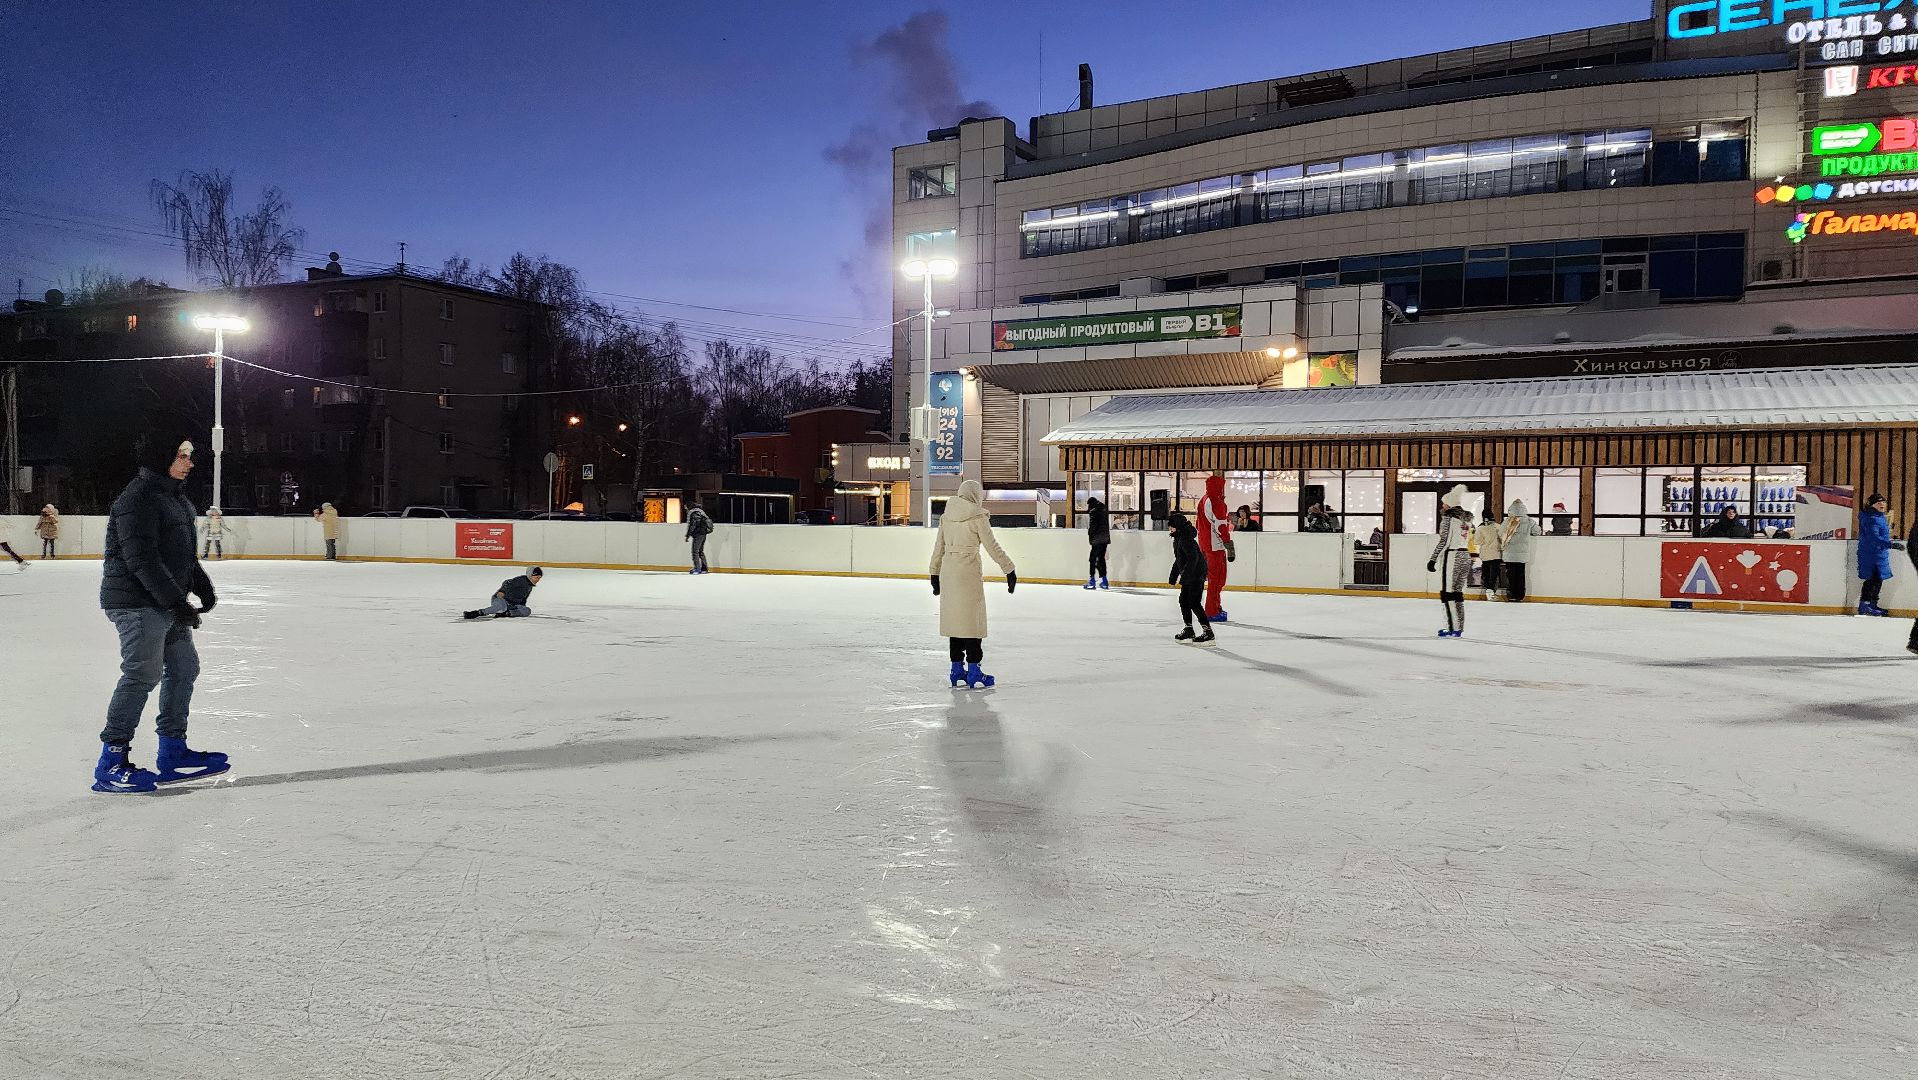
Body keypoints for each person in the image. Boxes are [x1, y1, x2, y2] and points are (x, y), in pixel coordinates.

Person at [94, 433, 227, 794]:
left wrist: (201, 584)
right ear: (161, 457)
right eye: (182, 455)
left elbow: (182, 555)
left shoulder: (175, 499)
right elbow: (142, 562)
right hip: (135, 602)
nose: (190, 462)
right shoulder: (136, 500)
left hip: (164, 600)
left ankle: (172, 752)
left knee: (184, 668)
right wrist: (175, 602)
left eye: (189, 455)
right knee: (142, 674)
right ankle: (111, 762)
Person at [929, 479, 1017, 689]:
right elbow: (992, 546)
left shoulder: (946, 517)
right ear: (976, 495)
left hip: (949, 573)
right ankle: (974, 671)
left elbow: (938, 547)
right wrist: (1009, 569)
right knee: (972, 624)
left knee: (955, 623)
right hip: (968, 572)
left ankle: (956, 669)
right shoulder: (978, 516)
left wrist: (934, 573)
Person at [1428, 489, 1475, 638]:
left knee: (1448, 593)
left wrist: (1433, 558)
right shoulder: (1466, 519)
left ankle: (1451, 627)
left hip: (1452, 556)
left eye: (1444, 503)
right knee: (1458, 593)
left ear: (1449, 505)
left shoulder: (1448, 519)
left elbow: (1445, 541)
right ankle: (1458, 627)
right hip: (1465, 554)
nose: (1442, 505)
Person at [1167, 510, 1215, 646]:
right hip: (1190, 575)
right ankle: (1189, 629)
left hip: (1196, 575)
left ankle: (1208, 633)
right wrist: (1174, 575)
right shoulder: (1178, 538)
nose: (1169, 528)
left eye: (1171, 526)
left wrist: (1186, 576)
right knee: (1183, 601)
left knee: (1194, 602)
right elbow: (1180, 559)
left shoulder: (1185, 539)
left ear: (1178, 526)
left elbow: (1193, 558)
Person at [1857, 493, 1904, 617]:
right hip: (1871, 554)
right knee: (1872, 580)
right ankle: (1865, 605)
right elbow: (1874, 538)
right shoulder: (1871, 518)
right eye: (1878, 503)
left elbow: (1881, 535)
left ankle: (1872, 604)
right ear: (1872, 505)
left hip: (1879, 553)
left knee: (1878, 579)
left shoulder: (1880, 517)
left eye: (1883, 502)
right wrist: (1891, 545)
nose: (1882, 504)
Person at [1197, 474, 1236, 622]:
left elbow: (1199, 523)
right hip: (1216, 545)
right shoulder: (1216, 502)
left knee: (1214, 579)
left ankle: (1214, 607)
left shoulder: (1203, 500)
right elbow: (1220, 526)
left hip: (1205, 544)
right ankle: (1212, 610)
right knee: (1217, 579)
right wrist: (1228, 544)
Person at [464, 567, 543, 619]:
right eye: (536, 577)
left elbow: (523, 600)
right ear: (530, 575)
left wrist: (520, 609)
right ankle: (476, 613)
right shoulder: (521, 580)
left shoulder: (529, 587)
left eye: (539, 578)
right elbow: (507, 582)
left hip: (512, 605)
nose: (537, 580)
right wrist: (502, 591)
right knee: (501, 607)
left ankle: (506, 614)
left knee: (527, 611)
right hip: (501, 599)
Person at [1501, 499, 1539, 602]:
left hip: (1509, 554)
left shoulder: (1507, 521)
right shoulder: (1529, 521)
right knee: (1520, 575)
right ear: (1524, 509)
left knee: (1511, 575)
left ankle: (1511, 595)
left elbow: (1501, 534)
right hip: (1522, 554)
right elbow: (1537, 531)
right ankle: (1520, 595)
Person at [1473, 505, 1505, 601]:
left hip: (1485, 554)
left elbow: (1477, 541)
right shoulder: (1499, 527)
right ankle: (1491, 591)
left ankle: (1488, 591)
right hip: (1496, 554)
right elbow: (1503, 539)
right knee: (1494, 574)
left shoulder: (1480, 528)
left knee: (1487, 574)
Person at [1083, 495, 1111, 590]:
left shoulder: (1093, 512)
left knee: (1092, 559)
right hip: (1105, 539)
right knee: (1101, 560)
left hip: (1097, 539)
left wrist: (1090, 533)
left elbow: (1093, 526)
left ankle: (1092, 581)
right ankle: (1104, 581)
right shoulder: (1103, 510)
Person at [685, 503, 714, 574]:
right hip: (703, 533)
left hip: (698, 534)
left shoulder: (694, 513)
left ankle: (697, 568)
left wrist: (688, 535)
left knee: (695, 551)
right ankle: (704, 568)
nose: (685, 509)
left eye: (686, 507)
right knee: (700, 551)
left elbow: (692, 525)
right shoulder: (701, 512)